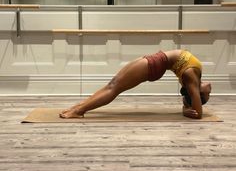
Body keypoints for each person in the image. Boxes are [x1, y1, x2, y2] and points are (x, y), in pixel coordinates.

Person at [60, 49, 212, 120]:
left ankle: (79, 111)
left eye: (207, 94)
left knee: (114, 88)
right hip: (154, 61)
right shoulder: (195, 77)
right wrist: (186, 108)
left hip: (153, 65)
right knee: (112, 84)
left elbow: (197, 113)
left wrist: (187, 111)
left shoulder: (191, 77)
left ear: (198, 93)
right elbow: (189, 104)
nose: (210, 89)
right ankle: (78, 108)